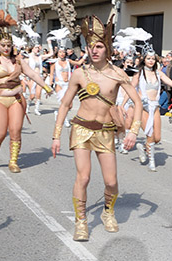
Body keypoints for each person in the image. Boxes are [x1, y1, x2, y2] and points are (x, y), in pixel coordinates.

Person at [52, 15, 142, 241]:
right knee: (83, 177)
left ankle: (108, 212)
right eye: (91, 46)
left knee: (111, 181)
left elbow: (138, 102)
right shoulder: (80, 73)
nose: (94, 50)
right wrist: (56, 136)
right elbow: (65, 104)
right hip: (81, 128)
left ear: (107, 48)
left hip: (105, 131)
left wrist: (133, 131)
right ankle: (81, 222)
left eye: (99, 46)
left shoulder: (118, 74)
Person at [0, 11, 52, 172]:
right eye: (3, 45)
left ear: (12, 46)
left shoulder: (18, 60)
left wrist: (46, 86)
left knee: (15, 131)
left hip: (16, 99)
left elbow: (32, 74)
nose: (6, 48)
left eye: (8, 45)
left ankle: (13, 161)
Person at [132, 49, 172, 171]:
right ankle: (151, 162)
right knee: (150, 135)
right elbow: (130, 90)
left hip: (154, 106)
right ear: (144, 60)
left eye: (153, 59)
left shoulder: (158, 73)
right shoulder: (139, 74)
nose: (151, 61)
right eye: (148, 58)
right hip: (142, 107)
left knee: (157, 138)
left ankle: (142, 146)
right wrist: (123, 106)